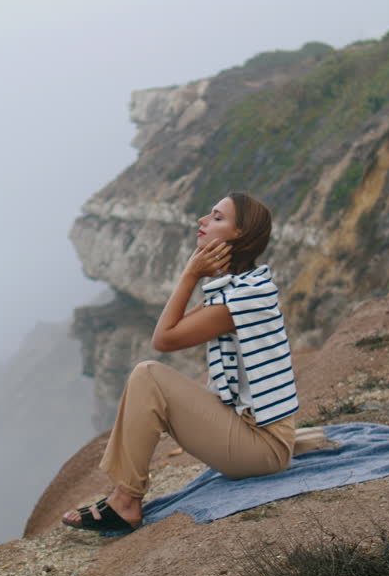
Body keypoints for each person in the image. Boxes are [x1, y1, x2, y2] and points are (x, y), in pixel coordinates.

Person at [62, 191, 300, 533]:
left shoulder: (239, 301)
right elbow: (176, 327)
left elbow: (164, 339)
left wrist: (190, 274)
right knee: (151, 377)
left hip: (264, 450)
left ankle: (126, 501)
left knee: (149, 375)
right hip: (258, 438)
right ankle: (123, 496)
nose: (202, 221)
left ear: (238, 234)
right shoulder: (242, 288)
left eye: (217, 217)